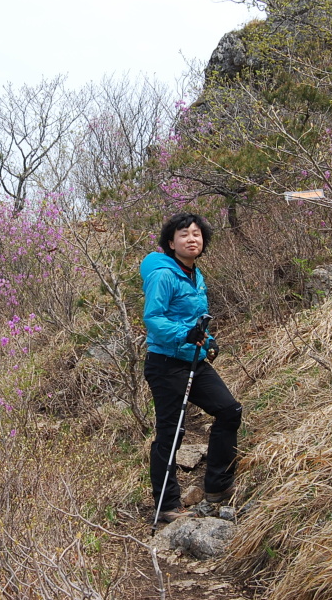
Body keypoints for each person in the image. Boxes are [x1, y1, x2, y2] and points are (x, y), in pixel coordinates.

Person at [140, 212, 242, 523]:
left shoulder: (196, 276)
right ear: (171, 243)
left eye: (196, 233)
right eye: (183, 234)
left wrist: (207, 340)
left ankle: (217, 487)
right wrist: (185, 334)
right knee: (171, 433)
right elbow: (153, 319)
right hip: (166, 363)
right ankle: (168, 504)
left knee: (229, 410)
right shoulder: (164, 274)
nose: (191, 238)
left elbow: (197, 319)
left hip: (192, 359)